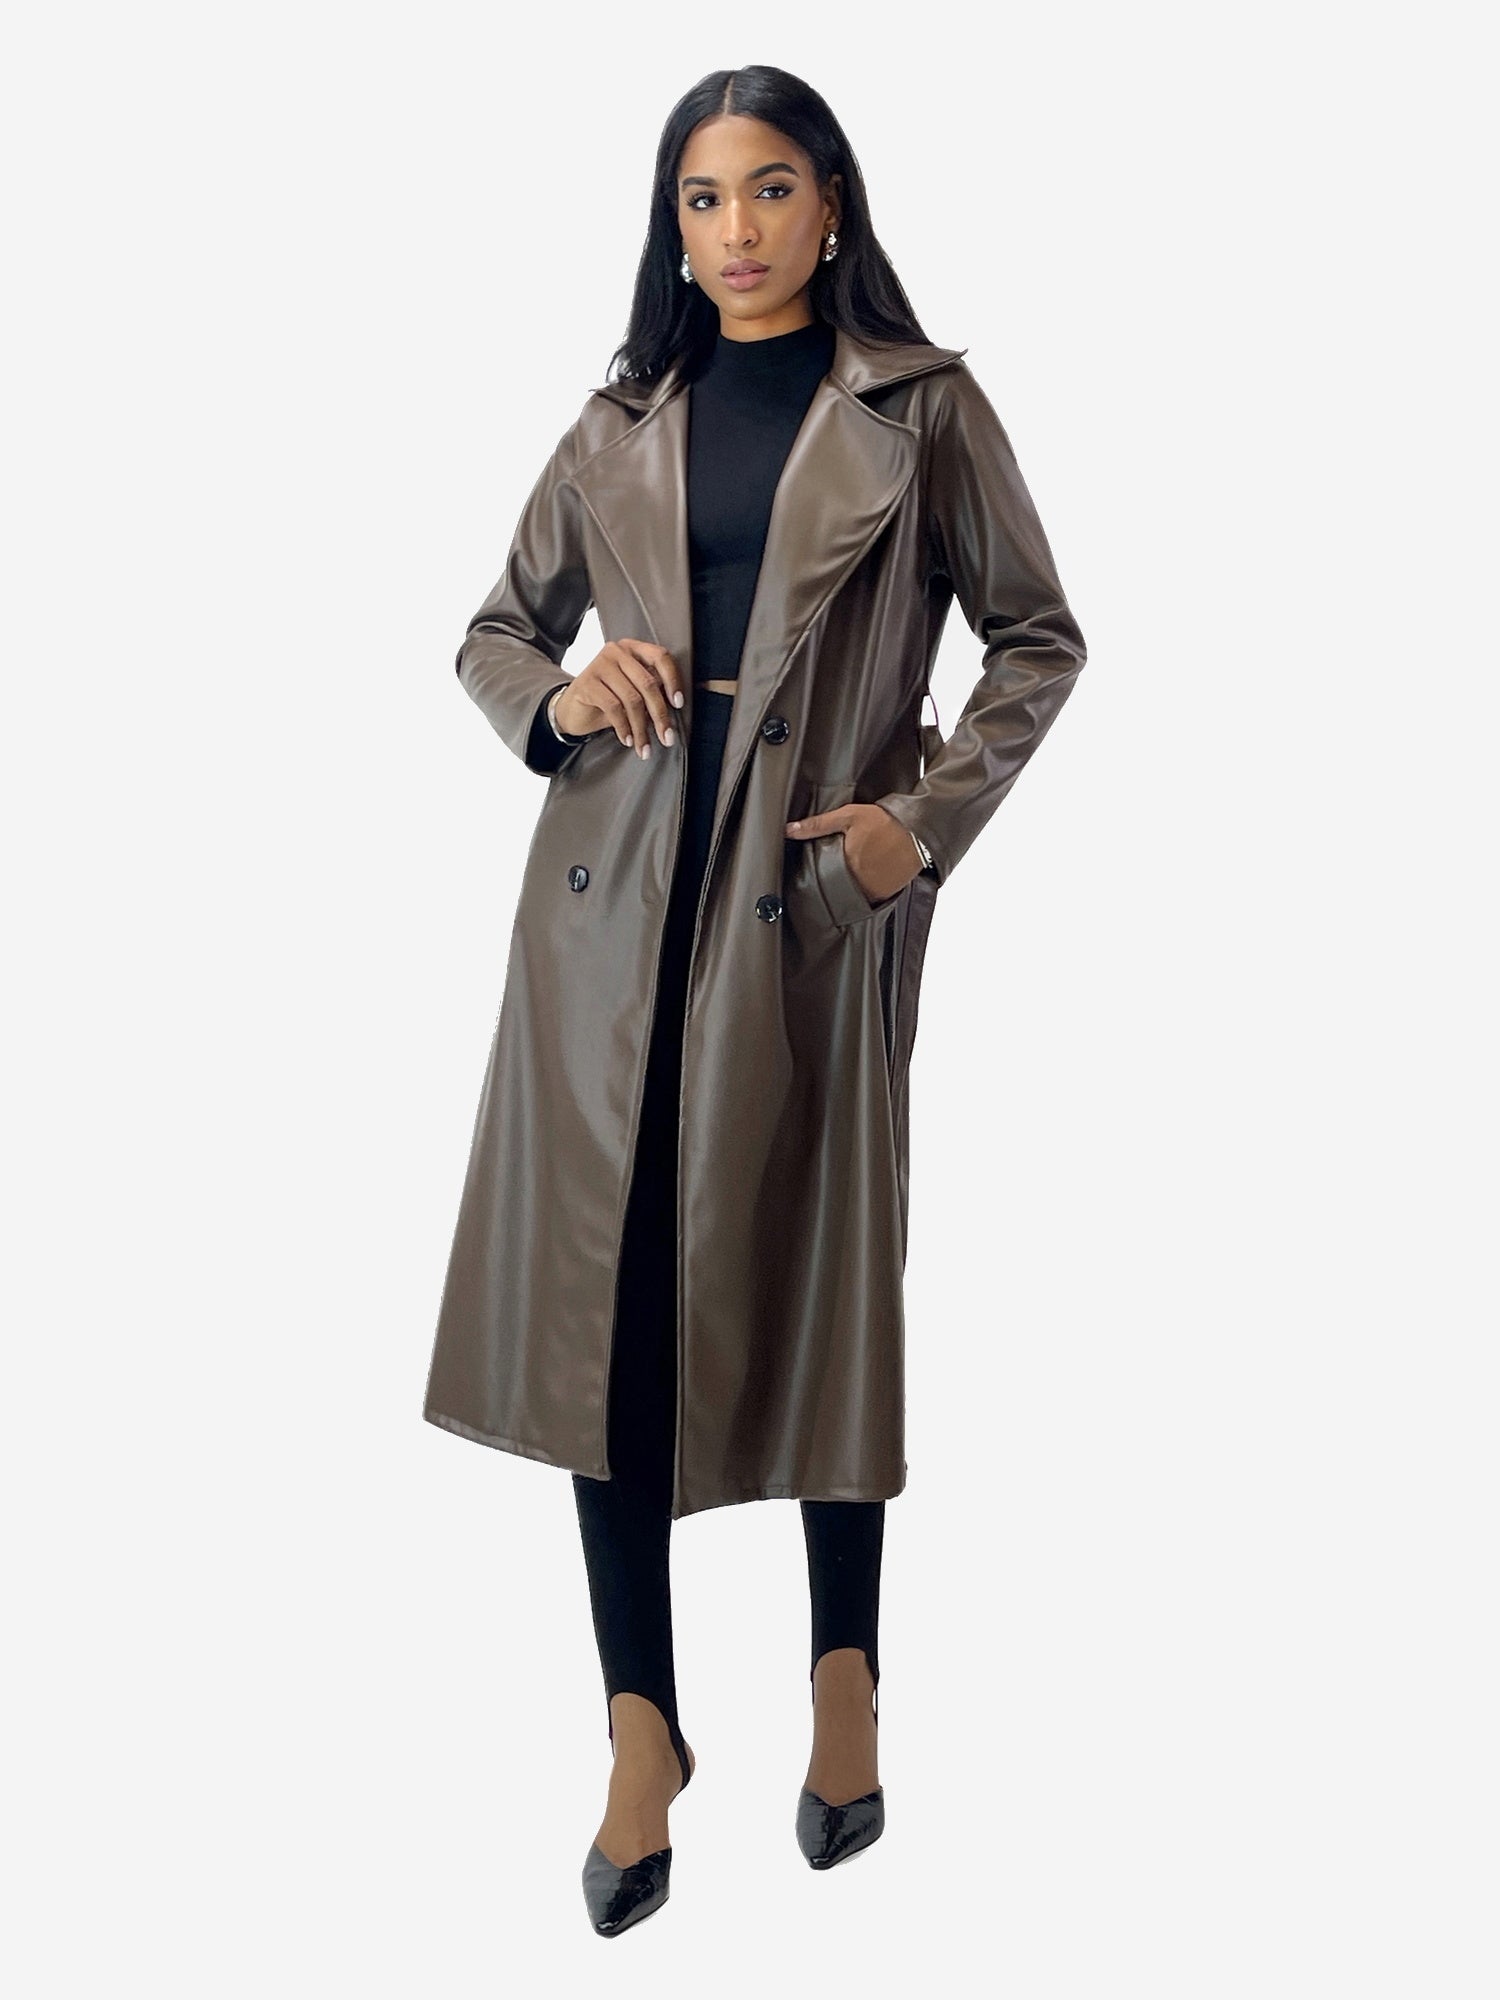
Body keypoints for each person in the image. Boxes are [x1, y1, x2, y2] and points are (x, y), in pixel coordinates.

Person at [424, 64, 1087, 1938]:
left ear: (832, 203)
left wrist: (915, 828)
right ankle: (640, 1727)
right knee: (603, 1312)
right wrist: (561, 696)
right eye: (702, 200)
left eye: (771, 189)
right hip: (606, 912)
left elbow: (1038, 637)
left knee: (817, 1283)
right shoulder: (620, 417)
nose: (736, 231)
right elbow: (493, 630)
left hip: (808, 902)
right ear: (673, 224)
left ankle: (845, 1682)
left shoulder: (921, 408)